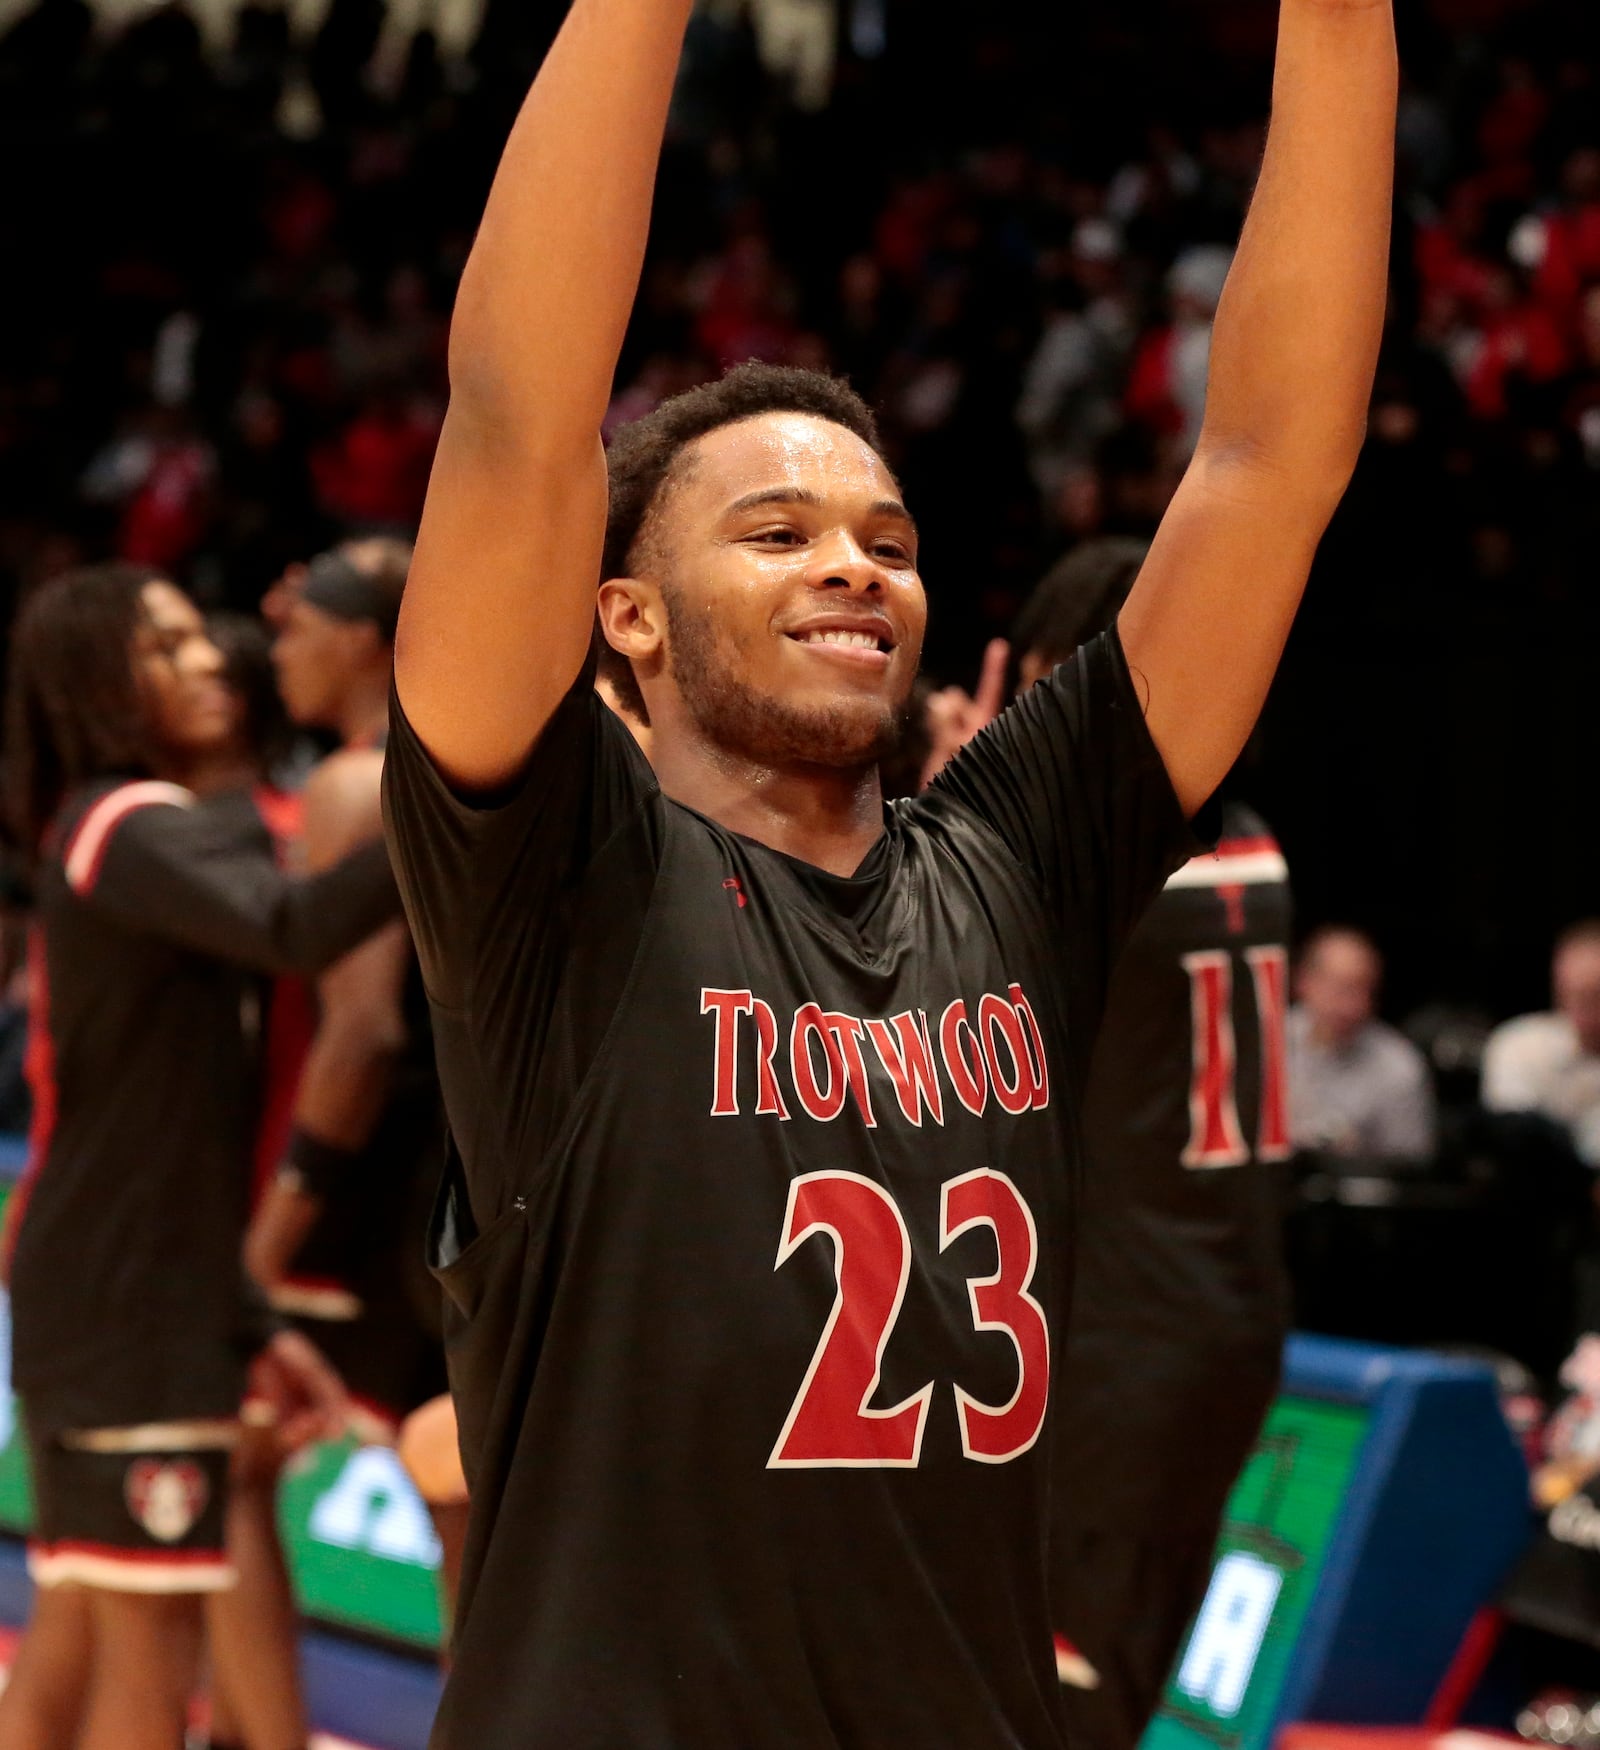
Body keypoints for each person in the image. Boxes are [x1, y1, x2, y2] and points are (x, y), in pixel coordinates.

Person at [381, 0, 1395, 1741]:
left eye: (889, 541)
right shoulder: (554, 879)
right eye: (777, 535)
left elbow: (1264, 463)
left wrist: (1345, 21)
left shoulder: (1018, 858)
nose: (856, 567)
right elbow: (517, 422)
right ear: (619, 618)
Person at [0, 562, 401, 1750]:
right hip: (124, 1293)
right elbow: (295, 927)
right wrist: (450, 789)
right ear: (95, 681)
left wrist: (245, 1315)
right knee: (153, 1646)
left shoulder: (133, 833)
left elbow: (174, 1145)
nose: (208, 662)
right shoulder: (124, 823)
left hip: (126, 1278)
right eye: (165, 648)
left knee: (79, 1614)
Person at [998, 539, 1293, 1746]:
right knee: (1116, 1677)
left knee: (1057, 1691)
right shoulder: (1256, 839)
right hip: (1229, 1318)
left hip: (1118, 1342)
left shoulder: (1090, 857)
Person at [246, 537, 447, 1443]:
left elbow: (364, 1031)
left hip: (388, 1187)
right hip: (467, 1175)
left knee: (247, 1454)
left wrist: (275, 1236)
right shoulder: (451, 761)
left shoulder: (355, 784)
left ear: (367, 641)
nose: (280, 648)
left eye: (303, 628)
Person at [1287, 925, 1436, 1159]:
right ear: (1304, 981)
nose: (1352, 1006)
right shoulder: (1264, 1044)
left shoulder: (1399, 1067)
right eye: (1341, 989)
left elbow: (1408, 1171)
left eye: (1365, 990)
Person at [1482, 921, 1600, 1168]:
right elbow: (1518, 1149)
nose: (1581, 1013)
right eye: (1569, 995)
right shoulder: (1520, 1046)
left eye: (1594, 997)